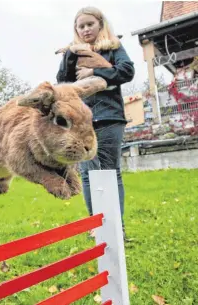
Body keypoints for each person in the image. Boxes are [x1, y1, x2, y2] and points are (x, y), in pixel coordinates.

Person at [56, 7, 135, 238]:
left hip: (110, 117)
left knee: (111, 172)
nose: (86, 29)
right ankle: (96, 226)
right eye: (81, 26)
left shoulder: (113, 48)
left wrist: (95, 71)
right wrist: (70, 55)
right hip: (82, 121)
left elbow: (127, 71)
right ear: (76, 30)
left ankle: (116, 228)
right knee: (88, 173)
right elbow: (62, 81)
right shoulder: (73, 53)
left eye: (90, 24)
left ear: (100, 24)